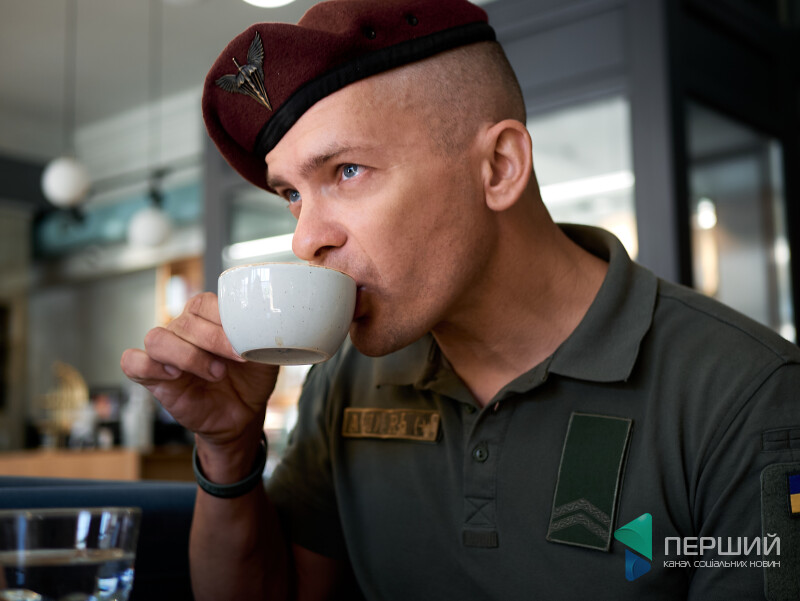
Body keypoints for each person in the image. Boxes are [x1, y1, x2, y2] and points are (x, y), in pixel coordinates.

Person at [121, 0, 800, 599]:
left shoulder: (747, 395)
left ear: (499, 167)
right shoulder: (349, 377)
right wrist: (227, 450)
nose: (304, 240)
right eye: (293, 194)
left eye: (347, 170)